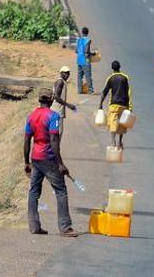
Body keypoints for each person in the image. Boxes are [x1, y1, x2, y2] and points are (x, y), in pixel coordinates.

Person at [24, 88, 79, 237]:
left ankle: (34, 226)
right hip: (48, 158)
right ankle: (65, 227)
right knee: (61, 191)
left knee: (34, 192)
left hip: (35, 158)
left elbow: (27, 140)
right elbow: (54, 140)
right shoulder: (53, 116)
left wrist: (26, 162)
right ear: (51, 100)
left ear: (39, 100)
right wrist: (60, 163)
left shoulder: (31, 116)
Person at [99, 60, 132, 150]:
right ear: (119, 67)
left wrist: (100, 104)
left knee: (112, 123)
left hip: (113, 104)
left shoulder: (110, 78)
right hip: (124, 104)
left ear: (112, 68)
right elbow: (128, 92)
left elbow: (104, 93)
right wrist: (129, 106)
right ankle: (120, 142)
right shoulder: (125, 78)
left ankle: (113, 142)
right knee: (122, 124)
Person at [52, 66, 77, 137]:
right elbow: (56, 97)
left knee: (57, 133)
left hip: (57, 111)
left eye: (68, 73)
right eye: (65, 73)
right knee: (58, 133)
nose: (67, 75)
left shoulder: (62, 82)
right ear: (61, 73)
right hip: (57, 112)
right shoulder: (60, 82)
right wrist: (68, 105)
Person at [76, 27, 94, 94]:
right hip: (85, 60)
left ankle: (79, 90)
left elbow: (76, 50)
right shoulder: (88, 40)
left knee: (79, 76)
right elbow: (86, 51)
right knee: (88, 75)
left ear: (82, 32)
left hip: (79, 59)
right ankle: (90, 90)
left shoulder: (79, 40)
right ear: (87, 32)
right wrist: (92, 54)